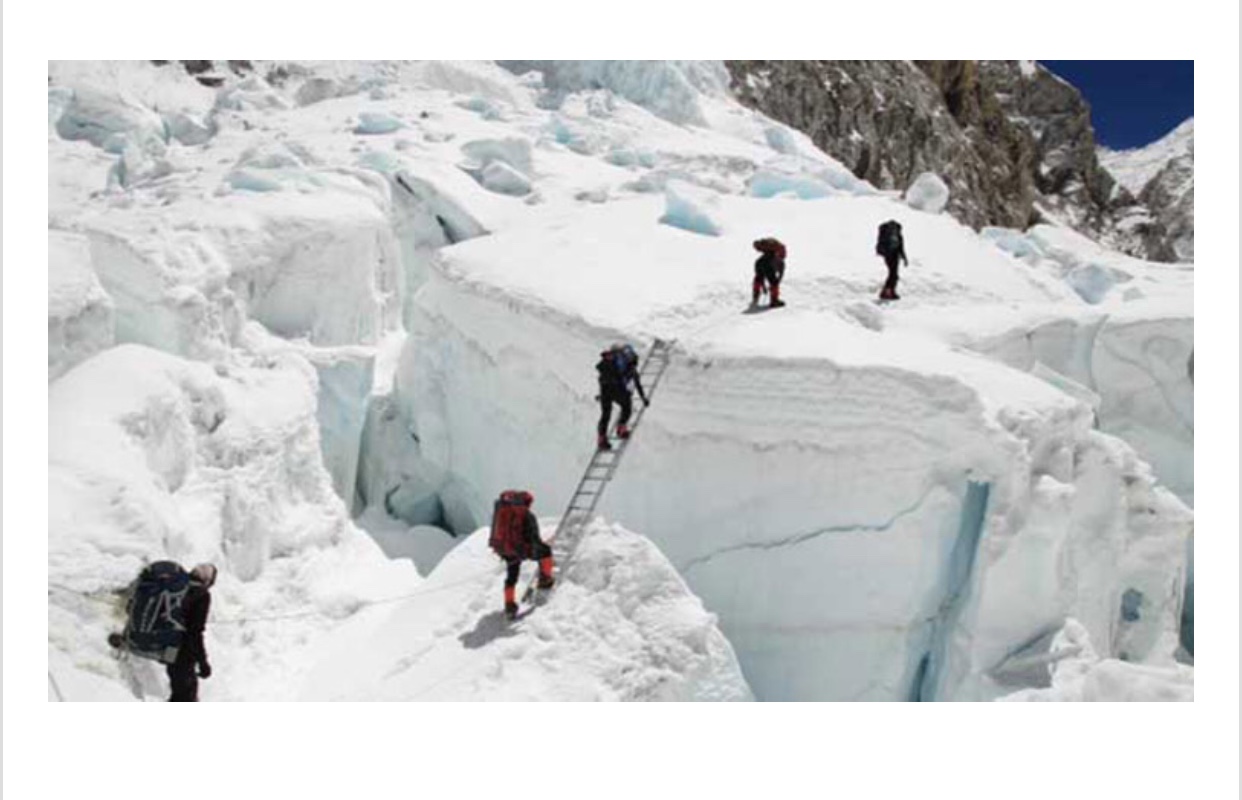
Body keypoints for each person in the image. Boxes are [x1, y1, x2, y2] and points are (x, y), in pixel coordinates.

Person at [488, 490, 554, 619]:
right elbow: (534, 538)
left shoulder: (503, 511)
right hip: (520, 549)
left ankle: (509, 605)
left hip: (505, 549)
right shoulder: (526, 515)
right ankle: (545, 579)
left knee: (511, 576)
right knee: (545, 551)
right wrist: (537, 547)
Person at [168, 563, 216, 702]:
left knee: (178, 693)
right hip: (183, 653)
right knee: (185, 697)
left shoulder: (178, 587)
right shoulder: (201, 595)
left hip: (167, 647)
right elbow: (195, 633)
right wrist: (203, 662)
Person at [596, 344, 649, 451]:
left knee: (605, 415)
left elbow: (602, 379)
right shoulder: (628, 365)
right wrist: (643, 397)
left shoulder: (607, 362)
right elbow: (637, 383)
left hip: (605, 390)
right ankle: (621, 428)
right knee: (627, 407)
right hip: (617, 390)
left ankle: (601, 439)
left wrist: (601, 395)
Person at [875, 220, 908, 300]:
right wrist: (904, 257)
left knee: (893, 275)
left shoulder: (890, 233)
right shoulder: (897, 234)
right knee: (893, 275)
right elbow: (901, 247)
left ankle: (889, 292)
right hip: (893, 255)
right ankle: (887, 292)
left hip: (889, 255)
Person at [752, 238, 787, 308]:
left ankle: (755, 294)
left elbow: (760, 276)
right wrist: (773, 286)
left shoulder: (768, 255)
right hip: (767, 264)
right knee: (774, 282)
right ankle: (774, 301)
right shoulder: (780, 262)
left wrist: (764, 287)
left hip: (758, 263)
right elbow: (779, 278)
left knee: (758, 278)